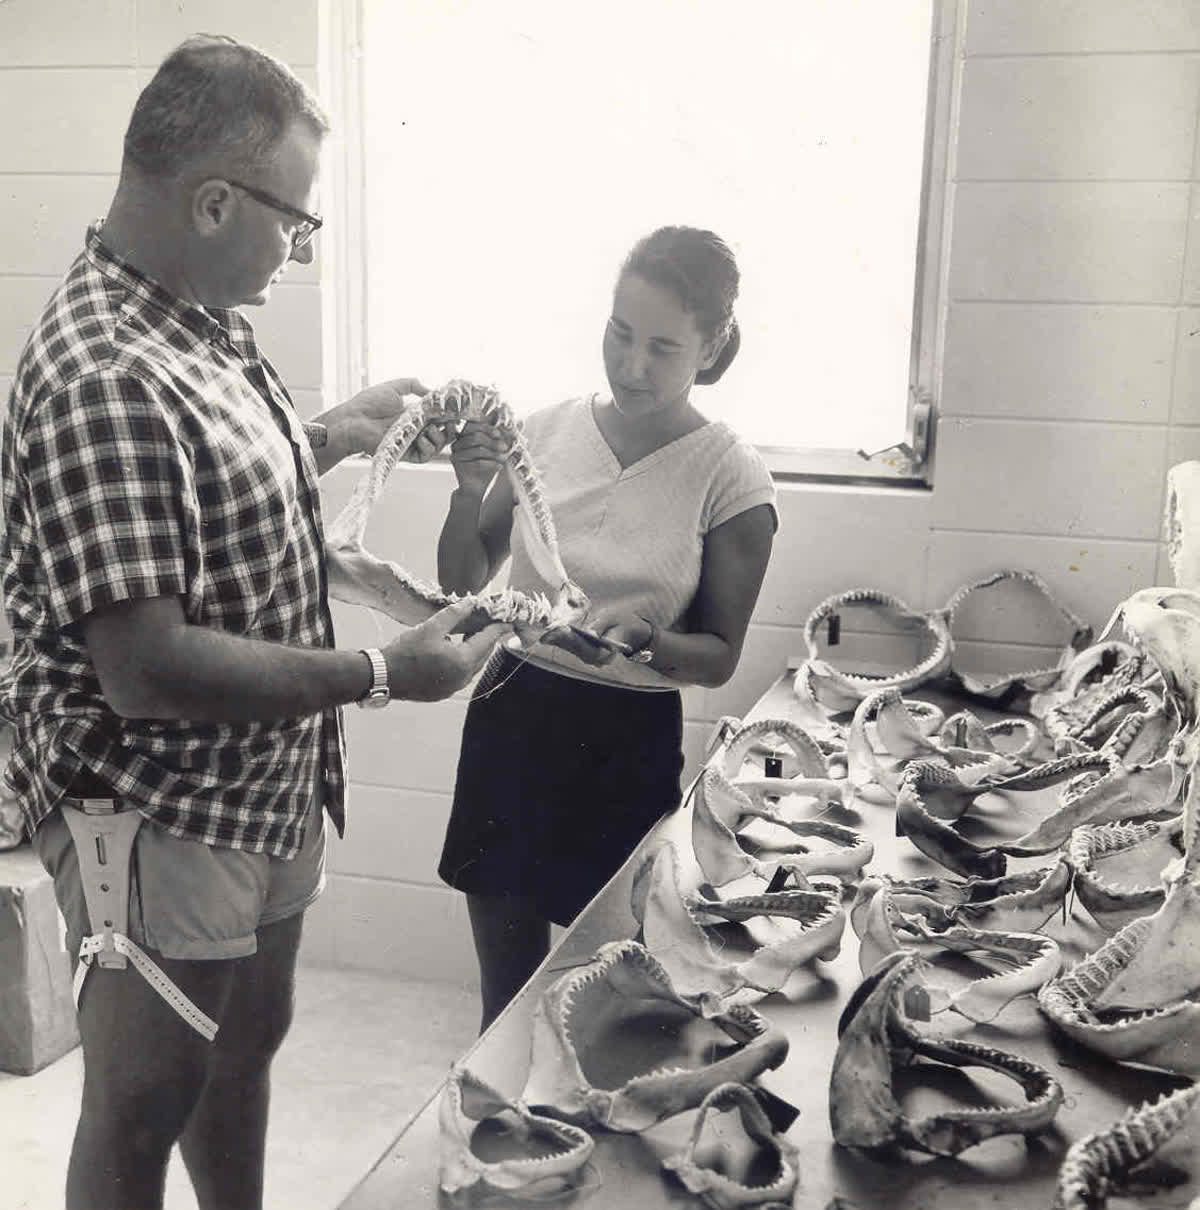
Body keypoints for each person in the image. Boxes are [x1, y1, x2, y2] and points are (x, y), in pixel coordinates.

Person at [0, 35, 509, 1210]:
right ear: (216, 200)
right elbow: (145, 667)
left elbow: (201, 482)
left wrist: (332, 431)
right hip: (160, 801)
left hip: (264, 780)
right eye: (299, 219)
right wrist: (385, 671)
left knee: (243, 1045)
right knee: (141, 1103)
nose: (304, 245)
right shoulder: (103, 373)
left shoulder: (190, 310)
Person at [436, 226, 778, 1030]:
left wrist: (650, 638)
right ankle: (495, 1145)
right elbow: (460, 583)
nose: (632, 366)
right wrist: (468, 487)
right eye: (620, 334)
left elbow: (720, 657)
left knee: (606, 1001)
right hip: (514, 716)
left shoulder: (730, 473)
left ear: (712, 346)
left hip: (624, 740)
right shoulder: (545, 431)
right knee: (509, 1005)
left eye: (663, 347)